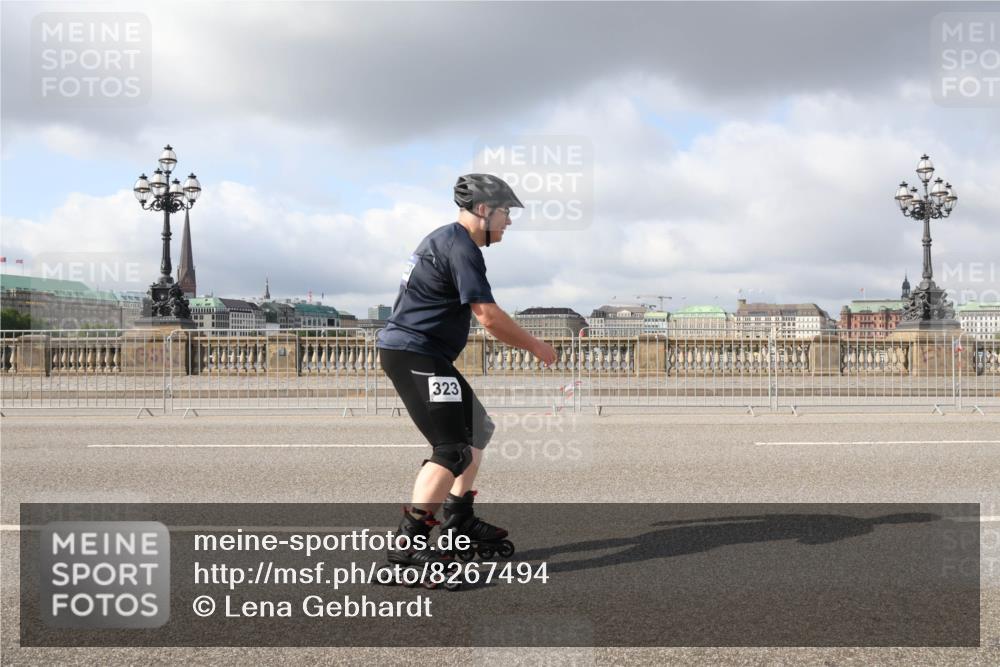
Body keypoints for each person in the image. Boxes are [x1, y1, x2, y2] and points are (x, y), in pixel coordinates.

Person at [376, 173, 558, 576]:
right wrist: (536, 345)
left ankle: (459, 519)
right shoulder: (461, 247)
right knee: (452, 449)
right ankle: (410, 543)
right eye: (505, 212)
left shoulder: (446, 239)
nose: (508, 221)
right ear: (482, 210)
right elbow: (488, 318)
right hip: (414, 354)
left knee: (479, 428)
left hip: (423, 354)